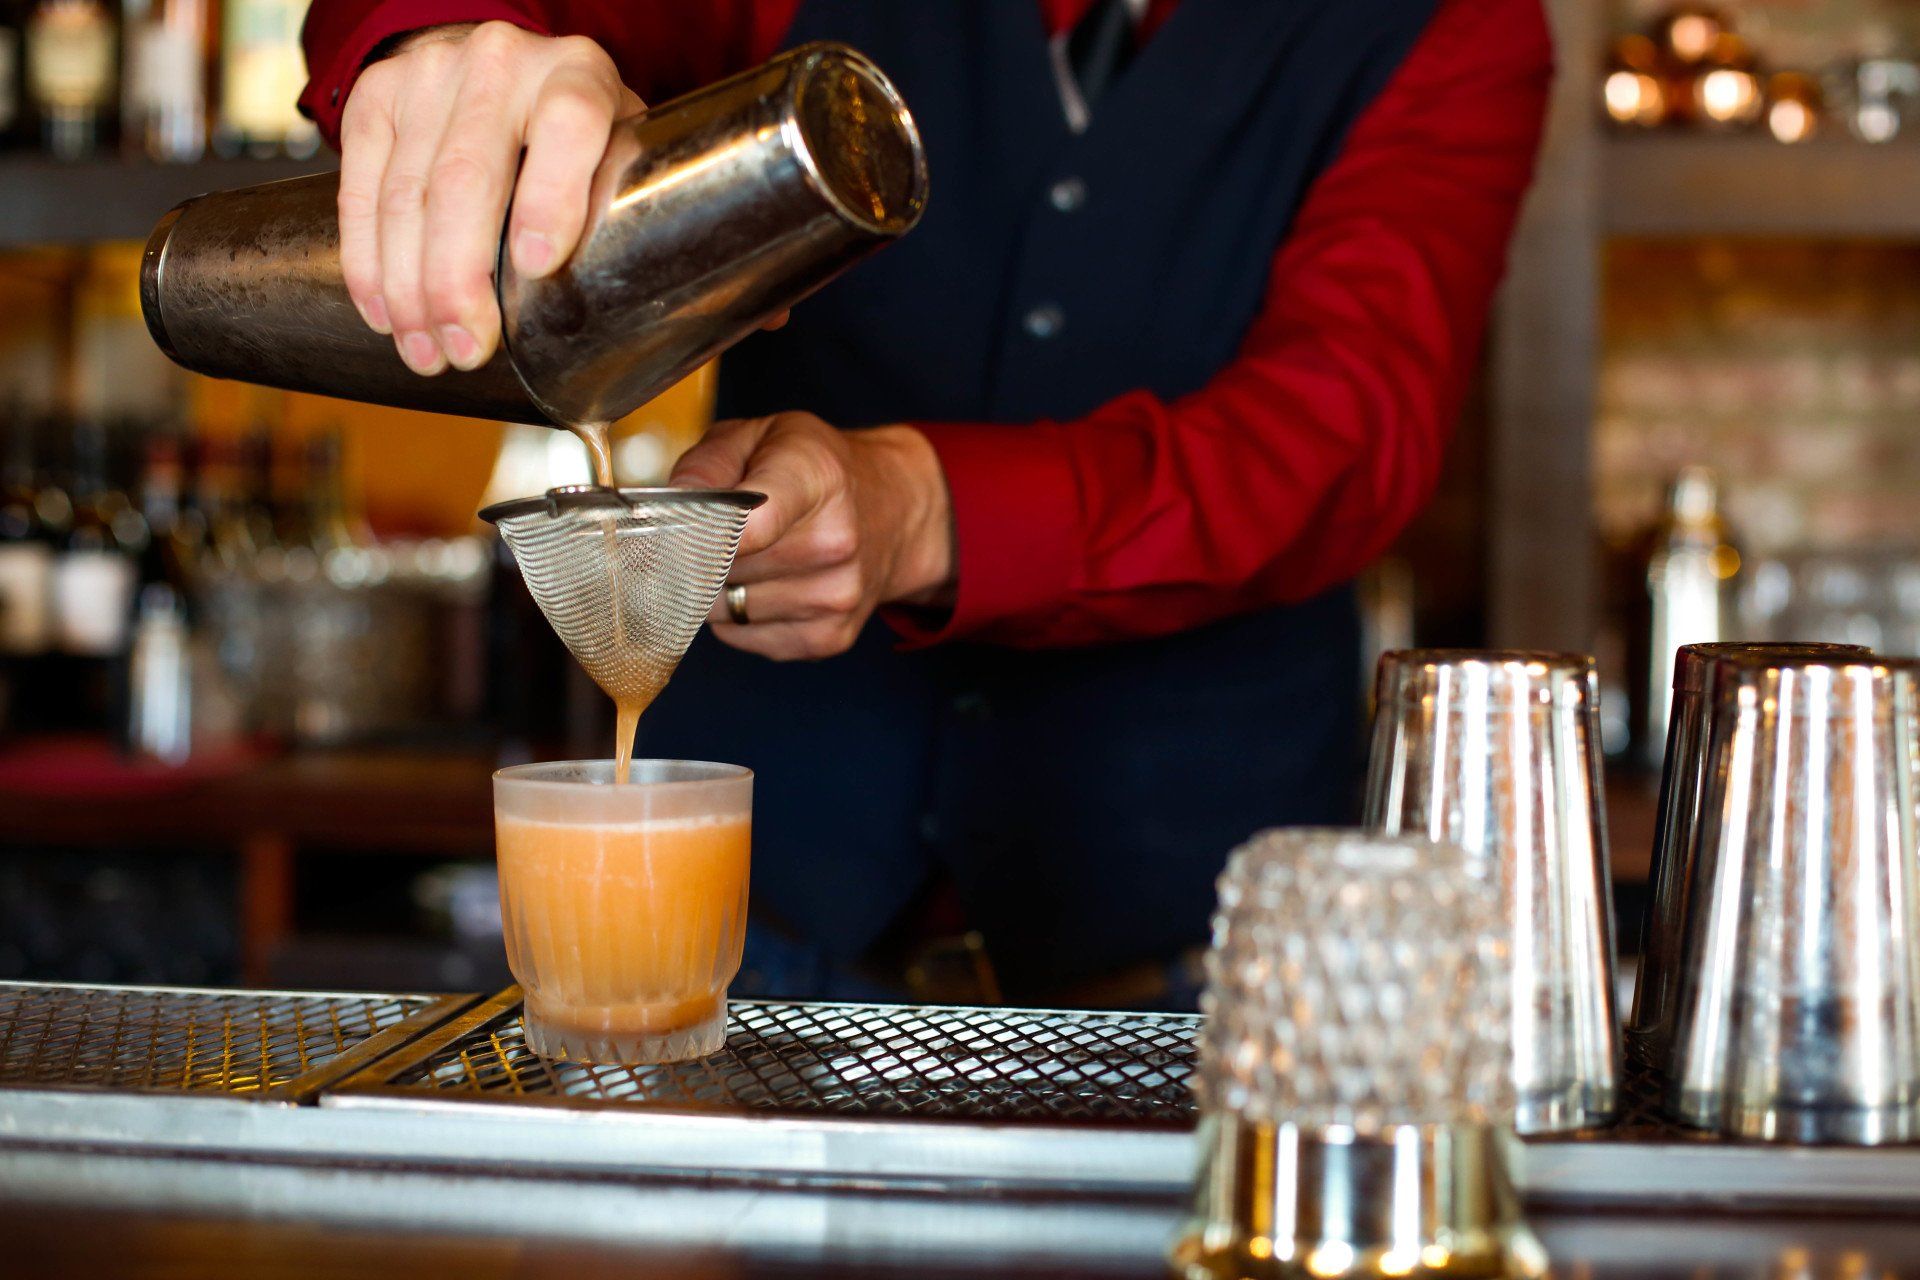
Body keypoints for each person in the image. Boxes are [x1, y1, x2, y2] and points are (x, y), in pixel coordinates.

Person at [300, 0, 1553, 1004]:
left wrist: (922, 504)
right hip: (774, 931)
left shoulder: (1458, 25)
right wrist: (447, 46)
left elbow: (1340, 435)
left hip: (1200, 964)